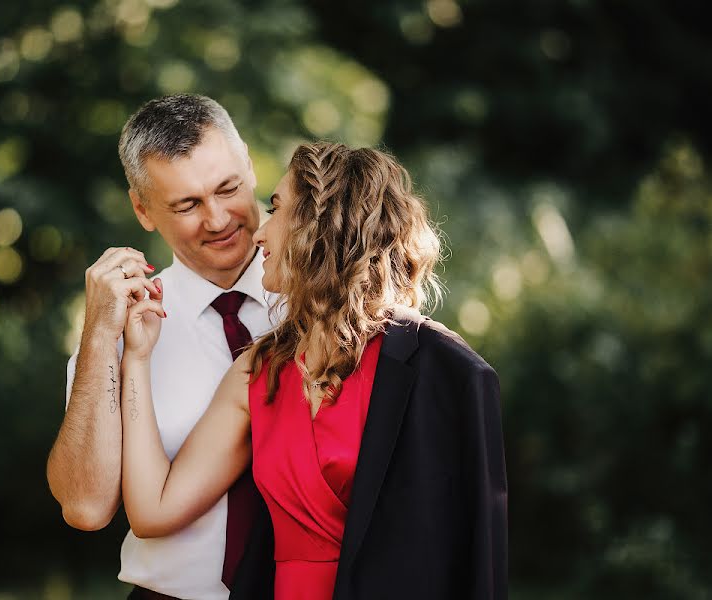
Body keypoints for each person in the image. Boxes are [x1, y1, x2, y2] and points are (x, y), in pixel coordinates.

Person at [118, 142, 508, 599]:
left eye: (277, 208)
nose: (259, 233)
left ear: (321, 225)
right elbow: (152, 510)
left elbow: (477, 560)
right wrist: (137, 358)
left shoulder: (445, 370)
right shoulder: (261, 369)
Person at [46, 94, 278, 600]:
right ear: (142, 209)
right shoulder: (122, 330)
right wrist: (100, 339)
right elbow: (85, 508)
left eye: (228, 188)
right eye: (187, 205)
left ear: (250, 165)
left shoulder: (327, 304)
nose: (218, 220)